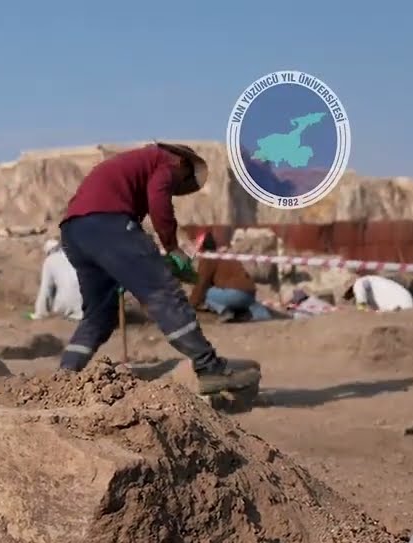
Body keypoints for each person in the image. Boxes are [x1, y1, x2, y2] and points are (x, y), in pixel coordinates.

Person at [56, 143, 261, 394]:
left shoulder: (129, 166)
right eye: (180, 183)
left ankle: (65, 375)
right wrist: (172, 248)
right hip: (109, 225)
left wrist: (129, 266)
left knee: (98, 315)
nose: (176, 187)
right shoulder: (165, 162)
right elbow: (159, 204)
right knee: (164, 294)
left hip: (74, 232)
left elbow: (122, 229)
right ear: (183, 164)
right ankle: (209, 368)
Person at [189, 231, 273, 322]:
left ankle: (224, 311)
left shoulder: (208, 258)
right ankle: (258, 314)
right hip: (250, 294)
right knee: (241, 299)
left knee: (206, 292)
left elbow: (201, 284)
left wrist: (191, 304)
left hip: (234, 294)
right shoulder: (225, 255)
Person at [31, 238, 83, 320]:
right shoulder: (77, 255)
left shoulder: (49, 261)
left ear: (49, 252)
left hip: (64, 305)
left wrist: (39, 313)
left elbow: (45, 290)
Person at [343, 275, 413, 311]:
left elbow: (361, 304)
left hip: (399, 308)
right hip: (407, 303)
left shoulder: (359, 283)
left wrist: (361, 310)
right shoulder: (371, 280)